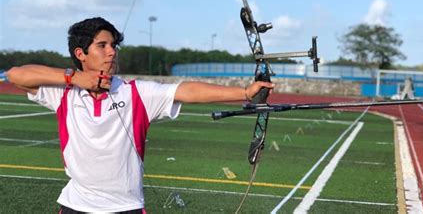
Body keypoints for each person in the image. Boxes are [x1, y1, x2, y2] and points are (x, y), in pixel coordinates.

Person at [6, 17, 274, 213]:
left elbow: (186, 91)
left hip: (127, 207)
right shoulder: (64, 93)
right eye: (102, 45)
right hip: (75, 206)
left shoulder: (136, 93)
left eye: (114, 46)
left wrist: (246, 92)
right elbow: (16, 74)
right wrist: (77, 79)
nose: (112, 51)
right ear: (81, 54)